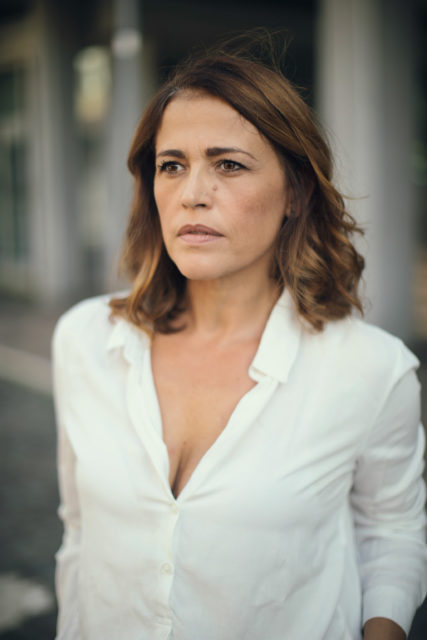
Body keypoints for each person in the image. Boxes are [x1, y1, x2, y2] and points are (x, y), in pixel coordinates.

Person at [52, 38, 427, 640]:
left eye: (228, 164)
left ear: (296, 193)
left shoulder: (372, 370)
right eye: (171, 165)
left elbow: (392, 533)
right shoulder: (84, 340)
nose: (192, 193)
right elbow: (80, 532)